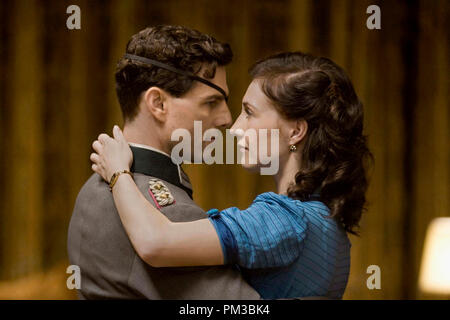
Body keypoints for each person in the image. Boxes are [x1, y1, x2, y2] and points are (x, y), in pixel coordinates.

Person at [90, 51, 373, 299]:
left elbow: (155, 243)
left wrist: (118, 172)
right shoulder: (327, 222)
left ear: (296, 131)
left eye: (249, 113)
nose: (235, 128)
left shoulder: (283, 221)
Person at [67, 25, 260, 299]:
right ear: (157, 103)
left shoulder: (91, 190)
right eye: (211, 102)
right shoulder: (166, 213)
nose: (226, 119)